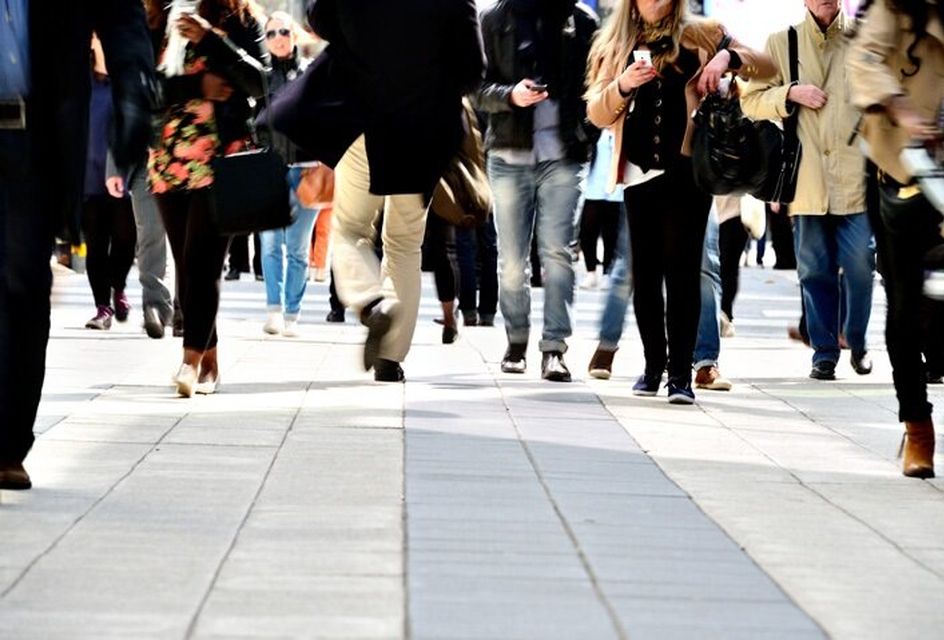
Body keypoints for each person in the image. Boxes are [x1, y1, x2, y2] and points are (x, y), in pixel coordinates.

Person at [586, 0, 774, 404]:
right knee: (646, 276)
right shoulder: (614, 42)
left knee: (684, 273)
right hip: (638, 173)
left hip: (689, 170)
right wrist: (623, 84)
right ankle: (653, 366)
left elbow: (767, 65)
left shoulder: (703, 32)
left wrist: (725, 57)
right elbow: (597, 112)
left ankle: (680, 376)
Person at [0, 0, 155, 489]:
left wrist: (134, 92)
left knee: (21, 281)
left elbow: (121, 17)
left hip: (30, 136)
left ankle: (6, 443)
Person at [305, 0, 484, 382]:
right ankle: (390, 360)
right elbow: (473, 70)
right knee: (404, 243)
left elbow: (320, 19)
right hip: (421, 129)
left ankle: (371, 303)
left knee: (350, 229)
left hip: (363, 120)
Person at [742, 0, 876, 382]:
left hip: (858, 181)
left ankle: (857, 340)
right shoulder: (781, 42)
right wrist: (789, 94)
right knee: (814, 270)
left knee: (861, 266)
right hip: (807, 181)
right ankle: (824, 354)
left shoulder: (867, 39)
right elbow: (750, 101)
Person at [146, 0, 269, 397]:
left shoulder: (241, 19)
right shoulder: (156, 18)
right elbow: (137, 87)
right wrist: (196, 86)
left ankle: (189, 359)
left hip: (221, 157)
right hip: (168, 158)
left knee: (202, 259)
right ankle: (210, 359)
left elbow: (261, 82)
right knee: (185, 259)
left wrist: (213, 41)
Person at [476, 0, 600, 383]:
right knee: (512, 260)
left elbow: (598, 86)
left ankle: (554, 349)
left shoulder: (582, 21)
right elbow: (474, 87)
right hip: (509, 154)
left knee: (557, 254)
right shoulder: (494, 19)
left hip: (563, 155)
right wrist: (509, 95)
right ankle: (516, 341)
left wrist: (585, 134)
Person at [847, 0, 944, 478]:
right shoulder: (894, 7)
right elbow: (862, 59)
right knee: (907, 309)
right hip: (903, 171)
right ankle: (917, 425)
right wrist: (900, 106)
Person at [258, 11, 319, 338]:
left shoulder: (310, 74)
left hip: (306, 170)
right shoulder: (260, 76)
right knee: (269, 245)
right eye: (271, 33)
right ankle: (273, 311)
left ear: (293, 35)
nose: (278, 38)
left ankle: (293, 313)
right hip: (269, 171)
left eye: (283, 31)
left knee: (296, 248)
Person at [82, 35, 137, 331]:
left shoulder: (129, 76)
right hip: (88, 176)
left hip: (125, 174)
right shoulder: (81, 80)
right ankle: (102, 307)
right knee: (96, 243)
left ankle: (119, 286)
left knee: (126, 238)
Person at [579, 131, 624, 290]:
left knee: (611, 233)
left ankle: (607, 273)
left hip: (617, 190)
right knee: (586, 231)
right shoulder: (596, 131)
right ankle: (591, 272)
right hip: (594, 188)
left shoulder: (624, 128)